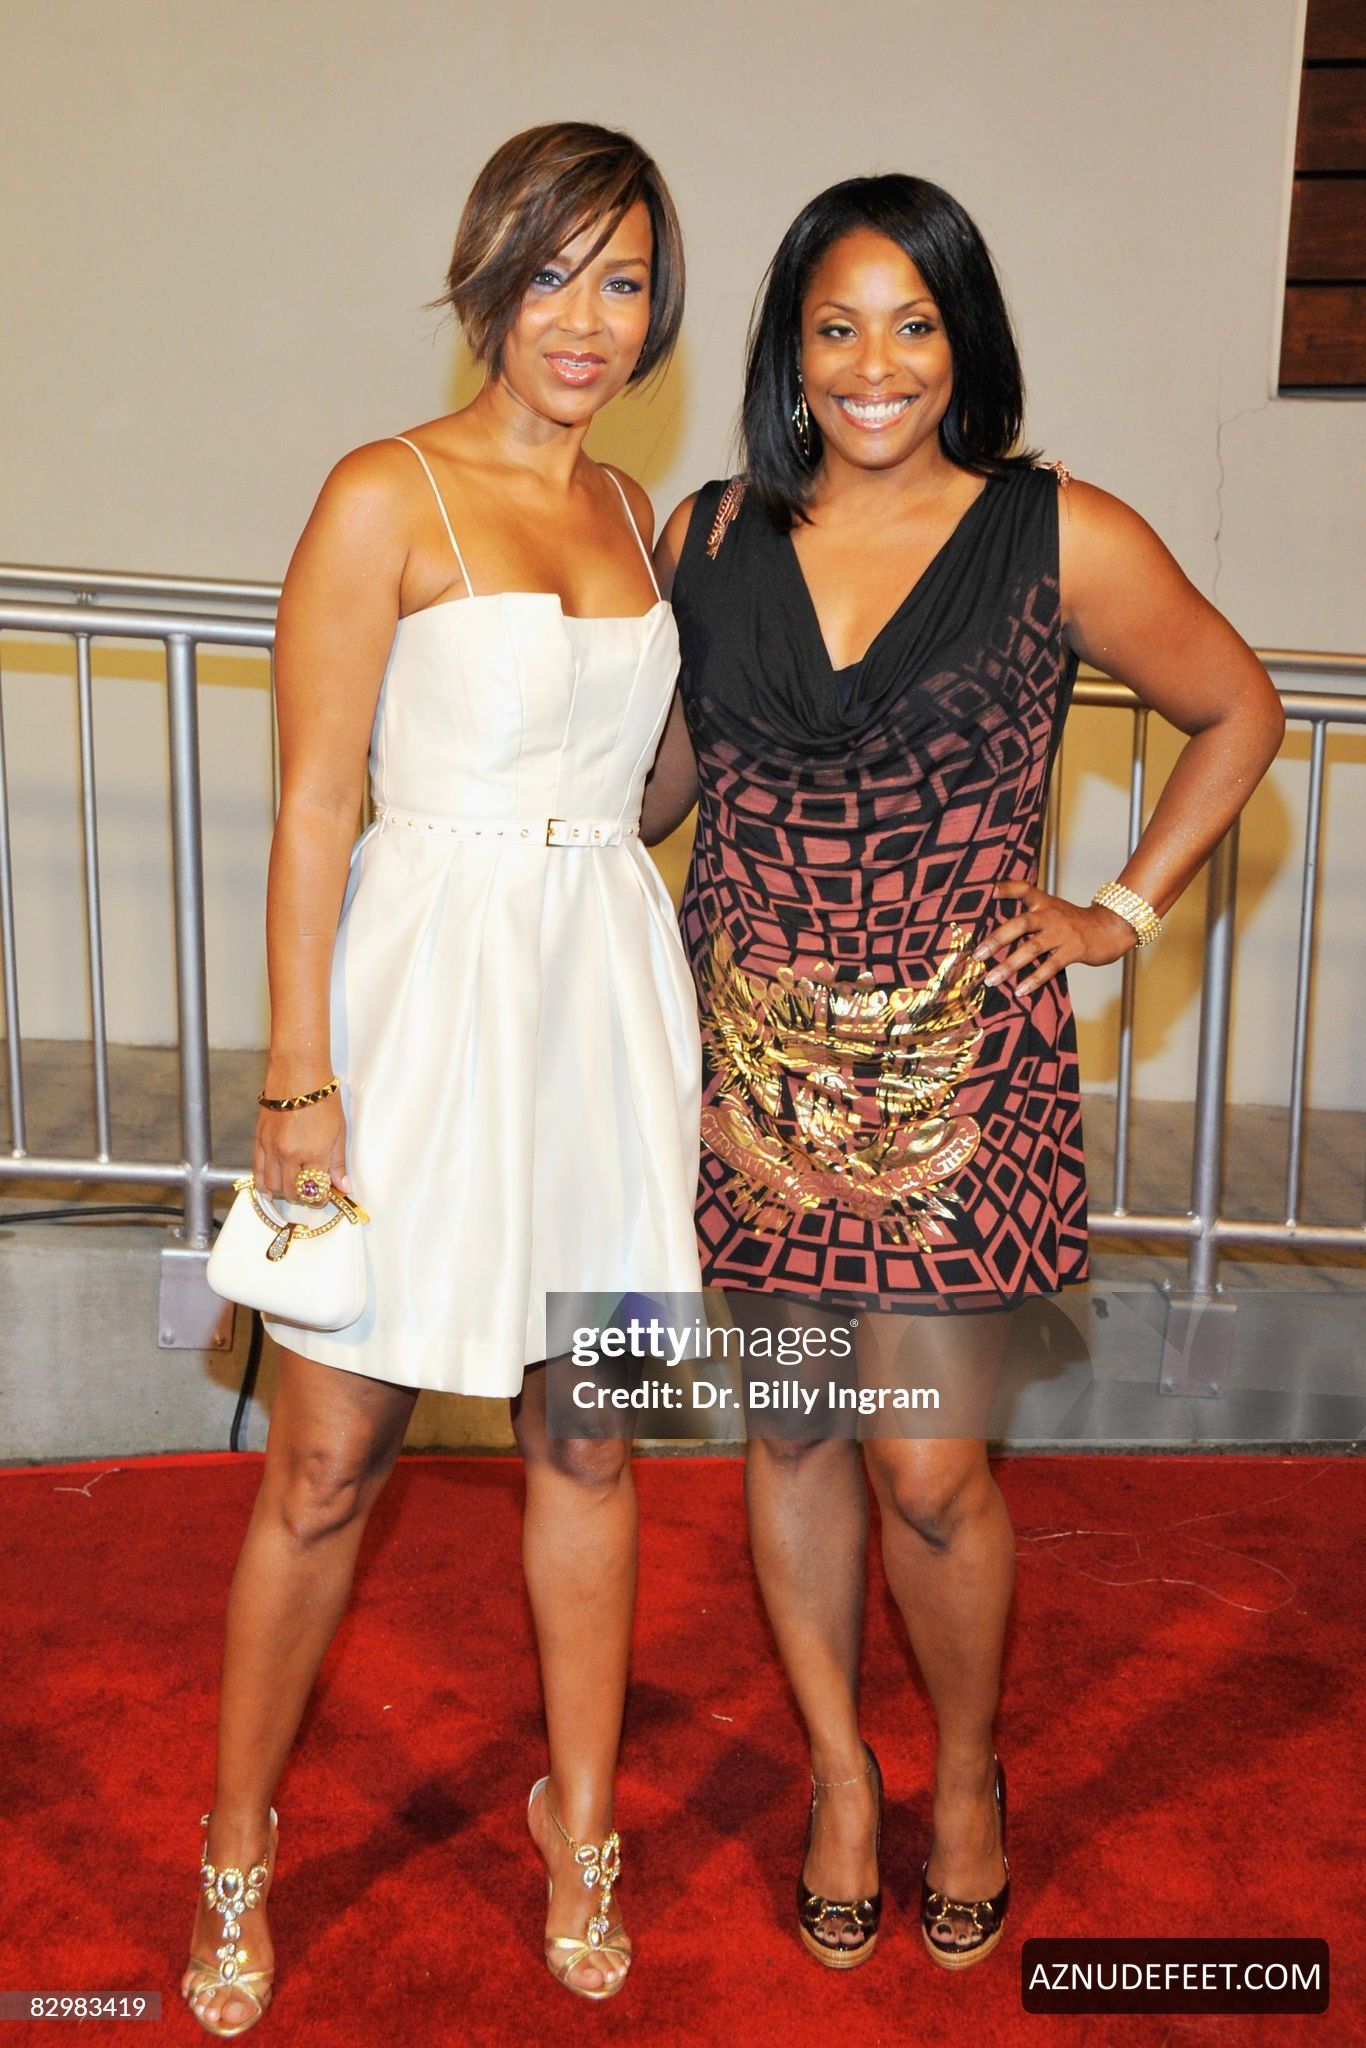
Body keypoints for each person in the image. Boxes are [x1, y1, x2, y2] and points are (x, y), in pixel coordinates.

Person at [646, 173, 1284, 1973]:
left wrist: (1118, 911)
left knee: (927, 1470)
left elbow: (1237, 707)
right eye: (836, 327)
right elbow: (658, 785)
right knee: (790, 1431)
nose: (875, 365)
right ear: (787, 351)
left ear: (963, 340)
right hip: (750, 1072)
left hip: (957, 1081)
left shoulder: (1054, 531)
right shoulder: (705, 539)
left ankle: (967, 1778)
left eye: (913, 324)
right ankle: (840, 1777)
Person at [181, 121, 700, 2031]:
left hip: (604, 1015)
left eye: (623, 280)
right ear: (488, 275)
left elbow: (649, 782)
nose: (586, 317)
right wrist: (295, 1080)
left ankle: (582, 1830)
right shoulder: (379, 493)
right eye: (554, 271)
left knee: (592, 1437)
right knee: (327, 1458)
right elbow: (314, 805)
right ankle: (236, 1842)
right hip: (412, 1017)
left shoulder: (644, 519)